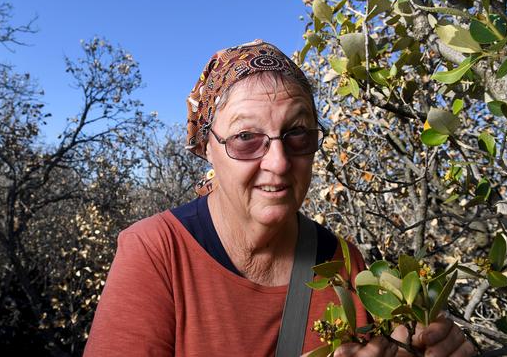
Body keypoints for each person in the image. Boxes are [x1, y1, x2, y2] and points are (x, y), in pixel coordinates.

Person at [83, 40, 475, 357]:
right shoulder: (154, 252)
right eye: (246, 138)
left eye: (298, 133)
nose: (278, 161)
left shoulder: (343, 261)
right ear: (207, 148)